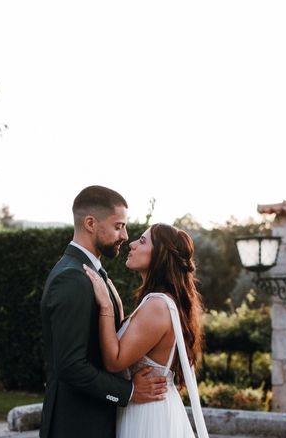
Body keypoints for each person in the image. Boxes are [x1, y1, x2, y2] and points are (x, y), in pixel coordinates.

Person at [40, 185, 168, 438]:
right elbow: (70, 365)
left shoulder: (91, 272)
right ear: (90, 223)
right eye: (118, 226)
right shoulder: (72, 278)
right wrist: (128, 391)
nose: (124, 235)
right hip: (77, 425)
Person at [83, 223, 209, 438]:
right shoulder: (159, 302)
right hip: (149, 407)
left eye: (142, 241)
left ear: (160, 255)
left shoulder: (157, 305)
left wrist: (105, 307)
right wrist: (120, 311)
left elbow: (115, 361)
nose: (131, 244)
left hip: (149, 415)